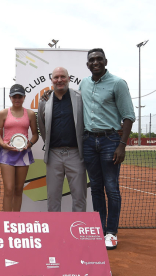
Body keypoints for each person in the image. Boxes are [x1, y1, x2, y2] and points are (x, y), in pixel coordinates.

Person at [80, 48, 135, 250]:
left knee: (111, 188)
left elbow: (128, 116)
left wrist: (122, 145)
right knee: (95, 188)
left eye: (98, 59)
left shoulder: (118, 83)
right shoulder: (84, 83)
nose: (95, 62)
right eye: (91, 60)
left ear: (105, 61)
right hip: (88, 141)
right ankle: (100, 229)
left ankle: (111, 232)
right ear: (87, 64)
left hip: (110, 140)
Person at [38, 67, 87, 212]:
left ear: (69, 78)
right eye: (56, 77)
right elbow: (42, 125)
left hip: (75, 154)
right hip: (53, 154)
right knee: (53, 197)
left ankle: (78, 230)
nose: (59, 80)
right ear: (52, 80)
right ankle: (55, 231)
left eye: (63, 77)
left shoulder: (80, 97)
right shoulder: (44, 100)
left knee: (79, 196)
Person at [0, 84, 38, 212]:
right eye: (14, 97)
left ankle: (16, 220)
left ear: (24, 97)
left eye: (20, 96)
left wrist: (29, 144)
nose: (17, 99)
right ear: (10, 97)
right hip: (6, 154)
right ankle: (7, 221)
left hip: (23, 154)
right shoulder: (3, 113)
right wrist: (3, 145)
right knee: (9, 189)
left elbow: (35, 134)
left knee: (19, 189)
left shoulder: (30, 114)